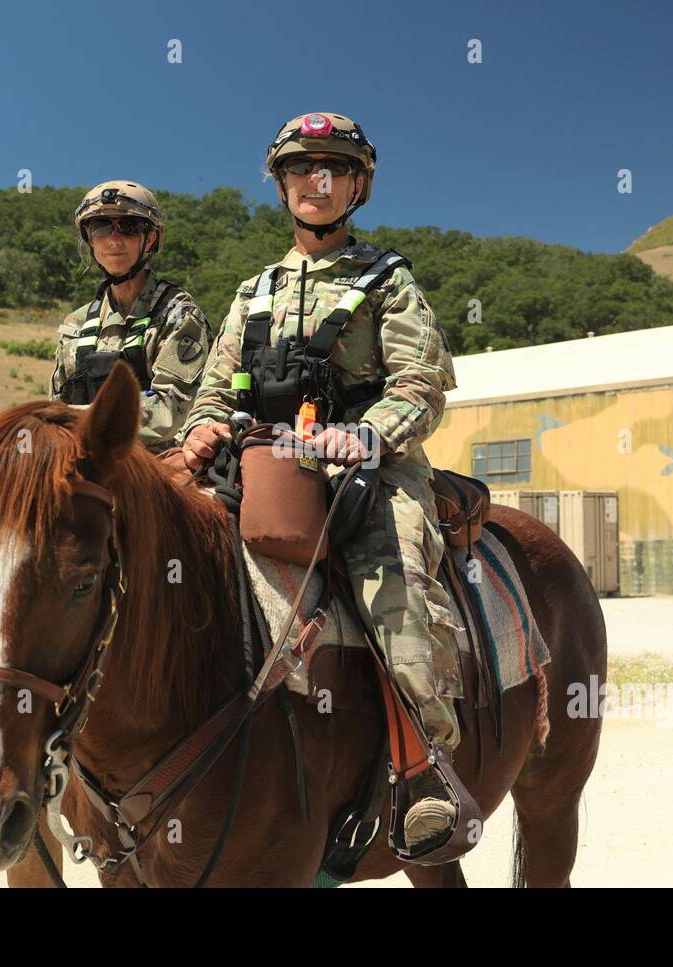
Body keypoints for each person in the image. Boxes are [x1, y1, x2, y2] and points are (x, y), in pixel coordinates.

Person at [179, 113, 462, 847]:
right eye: (302, 168)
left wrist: (367, 433)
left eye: (334, 167)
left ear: (357, 185)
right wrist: (203, 425)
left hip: (369, 473)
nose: (318, 179)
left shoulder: (389, 280)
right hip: (259, 467)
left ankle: (423, 772)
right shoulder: (253, 291)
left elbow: (422, 383)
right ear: (282, 185)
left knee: (393, 588)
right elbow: (211, 392)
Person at [51, 180, 213, 451]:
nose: (114, 239)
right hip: (80, 462)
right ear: (90, 239)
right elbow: (56, 404)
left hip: (153, 468)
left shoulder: (179, 315)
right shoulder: (75, 326)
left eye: (128, 228)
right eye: (101, 227)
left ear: (149, 239)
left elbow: (170, 412)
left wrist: (75, 420)